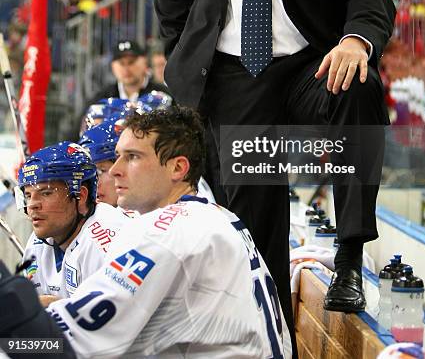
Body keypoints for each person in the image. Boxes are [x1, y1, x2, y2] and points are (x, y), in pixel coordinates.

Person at [155, 0, 395, 344]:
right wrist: (189, 61)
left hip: (312, 64)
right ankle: (270, 344)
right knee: (256, 241)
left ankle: (350, 256)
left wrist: (357, 40)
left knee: (357, 84)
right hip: (237, 74)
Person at [46, 107, 292, 358]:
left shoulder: (165, 230)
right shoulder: (221, 216)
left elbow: (78, 339)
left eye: (132, 157)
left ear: (177, 168)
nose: (114, 170)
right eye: (117, 156)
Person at [18, 141, 127, 305]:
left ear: (81, 197)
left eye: (46, 193)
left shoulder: (107, 242)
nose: (32, 204)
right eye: (28, 195)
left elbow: (113, 325)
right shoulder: (37, 242)